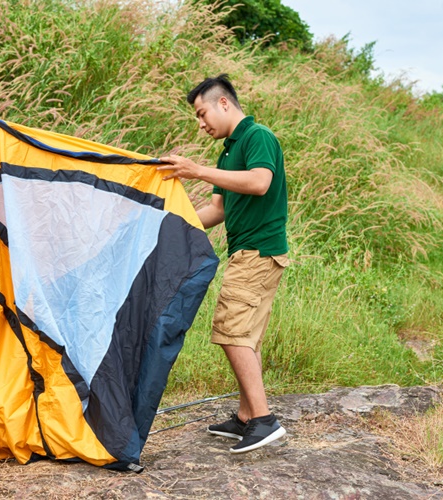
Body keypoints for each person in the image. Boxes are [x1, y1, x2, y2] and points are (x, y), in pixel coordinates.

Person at [158, 74, 289, 454]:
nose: (201, 125)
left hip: (259, 251)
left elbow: (261, 181)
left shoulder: (257, 136)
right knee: (245, 335)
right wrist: (173, 226)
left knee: (230, 329)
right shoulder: (228, 150)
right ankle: (248, 416)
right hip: (246, 251)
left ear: (224, 104)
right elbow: (217, 208)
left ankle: (264, 421)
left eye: (202, 114)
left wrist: (196, 170)